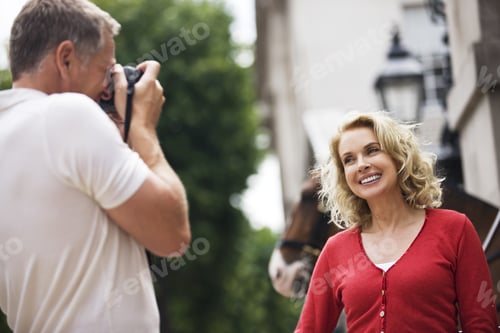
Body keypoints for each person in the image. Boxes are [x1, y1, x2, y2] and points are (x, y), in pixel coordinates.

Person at [0, 0, 190, 332]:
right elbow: (172, 236)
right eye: (107, 71)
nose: (110, 87)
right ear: (66, 58)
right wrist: (141, 129)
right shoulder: (67, 114)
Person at [295, 111, 499, 332]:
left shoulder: (455, 229)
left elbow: (481, 324)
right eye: (349, 160)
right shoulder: (336, 251)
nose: (361, 164)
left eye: (372, 150)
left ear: (397, 156)